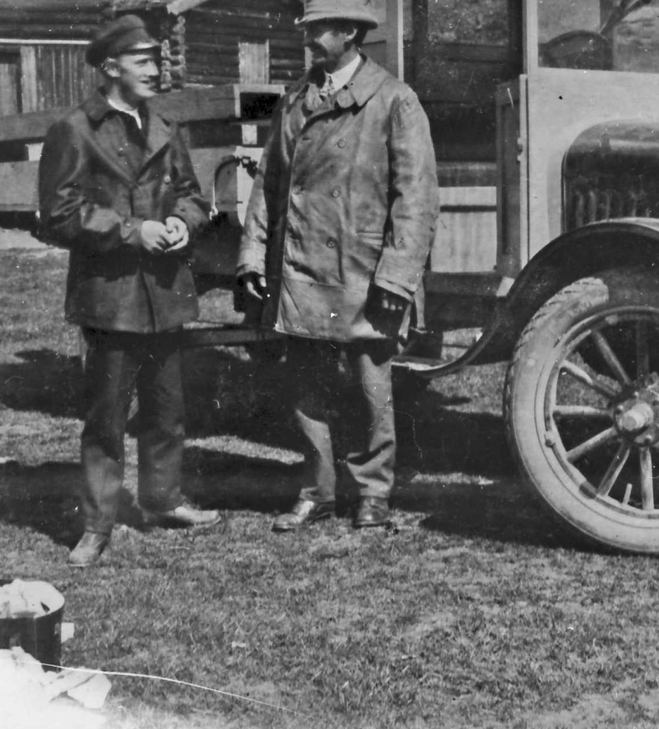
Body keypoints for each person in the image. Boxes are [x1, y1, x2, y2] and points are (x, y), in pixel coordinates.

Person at [237, 0, 438, 531]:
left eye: (318, 28)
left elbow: (415, 198)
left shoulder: (394, 100)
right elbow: (269, 185)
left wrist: (397, 274)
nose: (307, 37)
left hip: (364, 268)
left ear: (349, 32)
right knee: (304, 383)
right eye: (307, 27)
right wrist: (253, 253)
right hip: (301, 263)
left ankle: (374, 492)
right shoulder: (295, 99)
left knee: (371, 384)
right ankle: (317, 490)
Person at [39, 14, 221, 568]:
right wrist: (131, 231)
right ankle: (96, 525)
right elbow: (58, 213)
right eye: (143, 61)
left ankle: (163, 501)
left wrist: (183, 224)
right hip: (112, 295)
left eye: (157, 60)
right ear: (111, 66)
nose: (155, 69)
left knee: (167, 410)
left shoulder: (164, 125)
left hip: (164, 293)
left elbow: (191, 194)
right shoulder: (75, 129)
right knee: (107, 417)